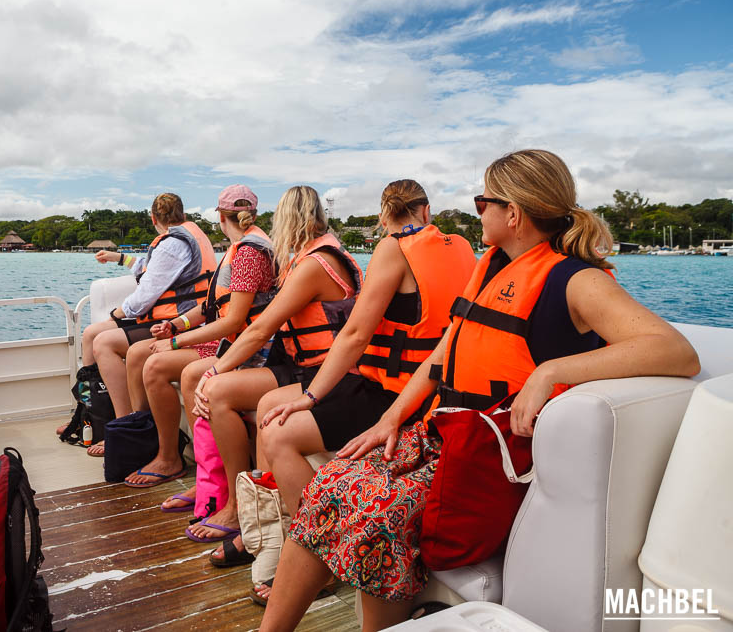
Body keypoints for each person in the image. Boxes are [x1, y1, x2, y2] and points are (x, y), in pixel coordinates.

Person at [259, 150, 701, 631]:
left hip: (490, 453)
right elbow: (443, 353)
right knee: (329, 483)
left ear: (512, 213)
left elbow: (676, 351)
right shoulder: (491, 265)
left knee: (373, 510)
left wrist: (550, 372)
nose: (477, 212)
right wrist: (392, 418)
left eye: (481, 202)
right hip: (440, 432)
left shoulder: (574, 280)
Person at [245, 179, 476, 604]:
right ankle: (277, 534)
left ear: (385, 216)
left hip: (390, 392)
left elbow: (353, 335)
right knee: (272, 404)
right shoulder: (462, 247)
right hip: (432, 388)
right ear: (427, 211)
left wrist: (310, 396)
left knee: (277, 431)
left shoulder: (394, 247)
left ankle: (318, 560)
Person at [188, 185, 362, 544]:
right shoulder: (306, 257)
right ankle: (244, 505)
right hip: (299, 364)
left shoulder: (316, 264)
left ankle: (240, 508)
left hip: (325, 372)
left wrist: (213, 370)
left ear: (287, 219)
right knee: (220, 391)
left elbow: (261, 329)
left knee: (217, 388)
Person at [120, 185, 276, 490]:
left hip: (244, 349)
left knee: (157, 366)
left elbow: (233, 320)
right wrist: (176, 325)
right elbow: (212, 306)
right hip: (231, 340)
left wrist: (176, 342)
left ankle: (177, 461)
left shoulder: (248, 254)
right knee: (149, 357)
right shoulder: (239, 247)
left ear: (220, 216)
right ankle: (183, 461)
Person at [68, 193, 217, 456]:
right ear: (182, 214)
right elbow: (148, 267)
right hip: (176, 317)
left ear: (153, 218)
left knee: (103, 342)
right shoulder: (185, 236)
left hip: (178, 322)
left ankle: (122, 427)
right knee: (90, 334)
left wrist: (116, 315)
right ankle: (92, 419)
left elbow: (146, 294)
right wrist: (118, 258)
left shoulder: (173, 244)